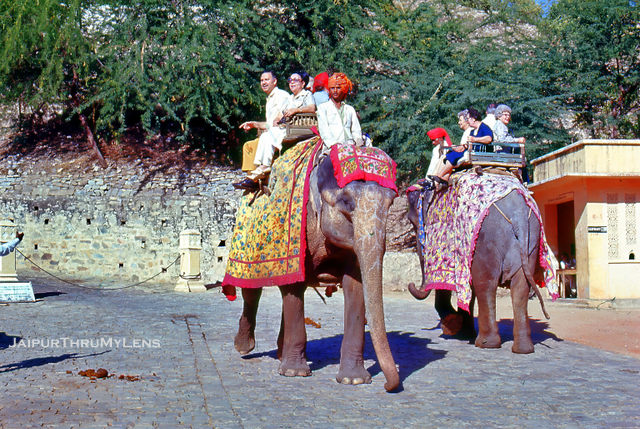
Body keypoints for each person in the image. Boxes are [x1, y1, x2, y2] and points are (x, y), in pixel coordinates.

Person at [233, 71, 289, 190]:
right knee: (248, 145)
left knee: (265, 137)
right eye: (262, 80)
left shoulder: (281, 96)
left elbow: (278, 121)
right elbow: (269, 124)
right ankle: (251, 176)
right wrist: (254, 124)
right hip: (273, 131)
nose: (263, 83)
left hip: (282, 131)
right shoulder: (269, 99)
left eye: (266, 80)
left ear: (274, 81)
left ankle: (263, 169)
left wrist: (274, 122)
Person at [430, 107, 493, 184]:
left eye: (468, 119)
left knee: (454, 155)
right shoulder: (473, 131)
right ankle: (443, 177)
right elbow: (469, 144)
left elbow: (488, 139)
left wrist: (475, 139)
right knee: (451, 153)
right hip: (471, 150)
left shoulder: (484, 127)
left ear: (473, 119)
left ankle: (439, 175)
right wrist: (461, 147)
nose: (467, 121)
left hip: (480, 153)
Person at [316, 72, 363, 152]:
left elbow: (356, 130)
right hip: (331, 148)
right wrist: (334, 145)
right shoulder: (323, 108)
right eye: (332, 88)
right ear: (329, 89)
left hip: (351, 146)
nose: (335, 91)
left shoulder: (350, 109)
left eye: (338, 88)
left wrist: (358, 143)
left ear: (343, 89)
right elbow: (324, 130)